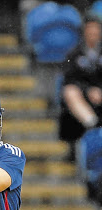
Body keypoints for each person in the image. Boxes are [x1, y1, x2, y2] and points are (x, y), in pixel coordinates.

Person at [59, 15, 102, 148]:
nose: (93, 32)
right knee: (70, 91)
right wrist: (88, 90)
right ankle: (92, 125)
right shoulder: (74, 54)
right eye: (90, 29)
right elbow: (69, 79)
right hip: (83, 98)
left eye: (96, 29)